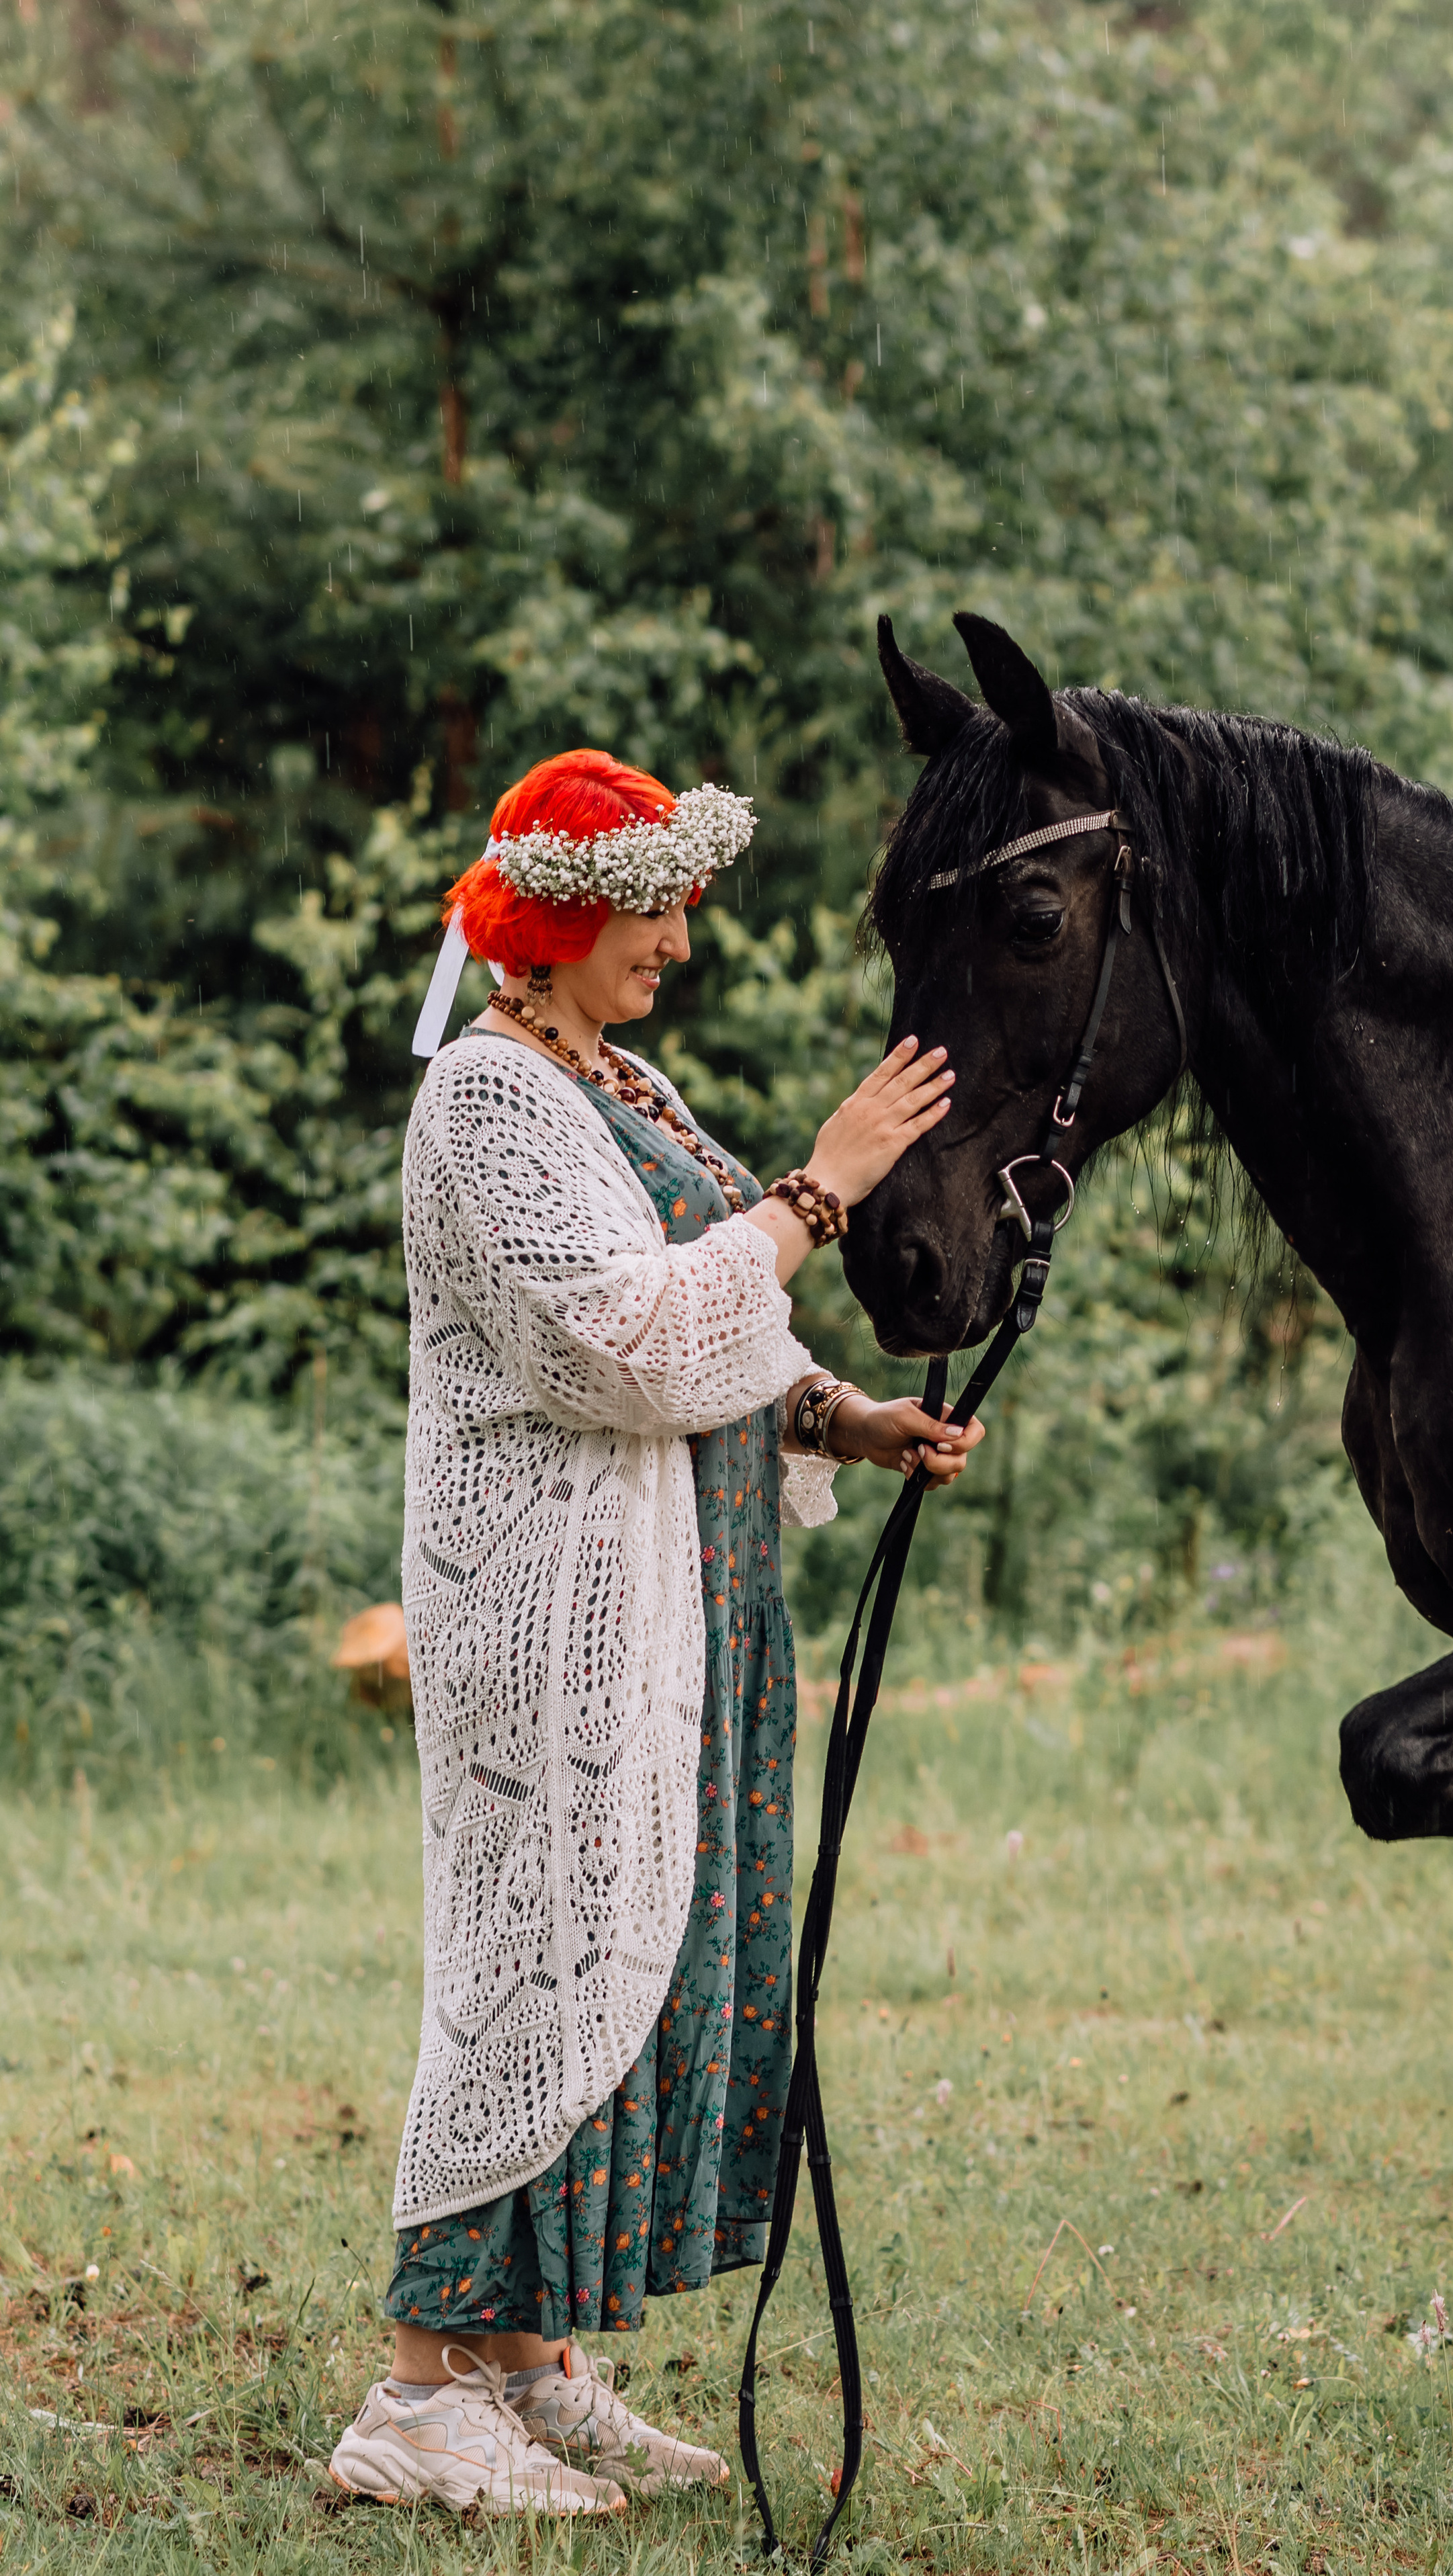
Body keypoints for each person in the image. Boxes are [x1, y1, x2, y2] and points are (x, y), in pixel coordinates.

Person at [329, 748, 981, 2516]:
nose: (681, 940)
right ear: (562, 914)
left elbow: (711, 1330)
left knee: (622, 1973)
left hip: (681, 1617)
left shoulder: (619, 1080)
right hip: (548, 1620)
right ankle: (413, 2389)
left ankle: (525, 2366)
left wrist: (842, 1414)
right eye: (657, 904)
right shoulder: (485, 1101)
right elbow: (621, 1341)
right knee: (526, 1976)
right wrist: (823, 1185)